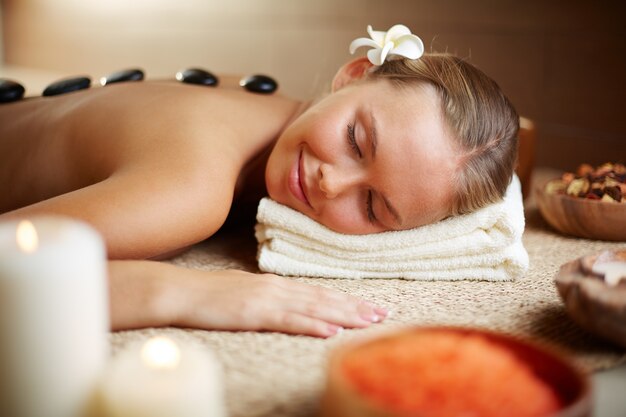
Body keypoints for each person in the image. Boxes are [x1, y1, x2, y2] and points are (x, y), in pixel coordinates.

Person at [0, 28, 519, 338]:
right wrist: (179, 293)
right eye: (357, 140)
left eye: (373, 207)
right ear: (355, 73)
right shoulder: (192, 189)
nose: (331, 182)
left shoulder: (265, 106)